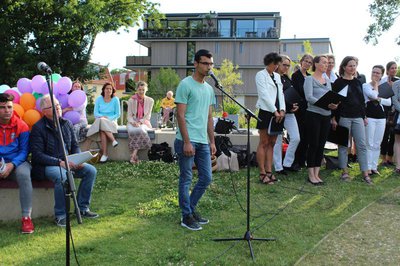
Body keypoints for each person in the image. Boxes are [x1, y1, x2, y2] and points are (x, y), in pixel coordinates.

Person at [30, 95, 98, 227]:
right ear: (44, 111)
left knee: (91, 171)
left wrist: (78, 158)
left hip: (68, 162)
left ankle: (83, 208)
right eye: (53, 107)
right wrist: (59, 162)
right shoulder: (38, 128)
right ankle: (60, 215)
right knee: (62, 176)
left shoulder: (66, 124)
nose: (58, 108)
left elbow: (74, 145)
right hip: (48, 165)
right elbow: (37, 155)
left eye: (58, 105)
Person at [174, 49, 216, 231]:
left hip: (203, 141)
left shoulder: (209, 89)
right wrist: (187, 142)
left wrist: (212, 141)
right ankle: (186, 216)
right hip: (187, 140)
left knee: (206, 178)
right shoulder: (185, 85)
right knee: (186, 178)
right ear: (196, 64)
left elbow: (208, 117)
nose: (209, 67)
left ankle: (190, 208)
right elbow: (180, 116)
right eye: (205, 63)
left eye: (211, 64)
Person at [332, 56, 371, 184]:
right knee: (343, 145)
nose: (352, 68)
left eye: (354, 65)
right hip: (343, 116)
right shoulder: (338, 83)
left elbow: (361, 101)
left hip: (358, 117)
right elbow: (334, 101)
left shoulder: (358, 82)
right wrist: (334, 118)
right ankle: (344, 172)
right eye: (350, 65)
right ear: (344, 67)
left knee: (362, 145)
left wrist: (364, 116)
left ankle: (365, 173)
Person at [0, 93, 34, 234]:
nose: (7, 110)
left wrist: (11, 165)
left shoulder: (22, 125)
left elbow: (24, 151)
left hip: (17, 163)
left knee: (24, 174)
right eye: (2, 108)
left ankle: (26, 218)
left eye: (9, 107)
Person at [304, 55, 338, 185]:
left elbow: (330, 97)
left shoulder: (327, 80)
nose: (326, 65)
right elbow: (309, 97)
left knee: (321, 145)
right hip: (313, 115)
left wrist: (334, 104)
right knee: (313, 144)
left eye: (328, 63)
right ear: (316, 64)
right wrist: (324, 104)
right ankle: (310, 174)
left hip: (326, 116)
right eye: (324, 62)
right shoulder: (309, 79)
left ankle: (317, 174)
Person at [255, 52, 285, 184]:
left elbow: (281, 94)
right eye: (274, 64)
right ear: (268, 63)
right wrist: (274, 111)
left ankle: (269, 171)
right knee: (264, 142)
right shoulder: (260, 75)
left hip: (279, 112)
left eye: (277, 64)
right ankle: (262, 173)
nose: (276, 66)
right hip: (267, 111)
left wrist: (282, 110)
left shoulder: (277, 76)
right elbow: (264, 94)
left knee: (272, 143)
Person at [273, 55, 300, 175]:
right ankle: (278, 167)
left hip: (289, 113)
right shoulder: (272, 78)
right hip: (277, 113)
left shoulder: (288, 79)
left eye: (288, 65)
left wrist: (295, 105)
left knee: (296, 137)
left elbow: (291, 95)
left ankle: (287, 163)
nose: (286, 67)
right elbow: (274, 98)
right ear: (278, 64)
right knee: (278, 141)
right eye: (284, 64)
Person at [363, 65, 390, 175]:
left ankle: (374, 167)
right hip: (369, 116)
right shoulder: (365, 85)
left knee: (377, 143)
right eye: (373, 72)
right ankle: (368, 167)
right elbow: (371, 95)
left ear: (381, 75)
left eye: (377, 73)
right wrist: (375, 88)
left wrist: (378, 98)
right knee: (369, 142)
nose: (375, 75)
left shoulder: (384, 86)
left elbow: (388, 102)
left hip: (381, 117)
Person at [86, 82, 121, 163]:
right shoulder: (99, 99)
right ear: (103, 90)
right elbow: (95, 113)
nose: (108, 90)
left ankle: (105, 154)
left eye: (110, 89)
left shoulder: (116, 99)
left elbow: (118, 114)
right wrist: (102, 117)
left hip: (112, 121)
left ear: (112, 90)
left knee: (102, 129)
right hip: (100, 120)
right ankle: (113, 141)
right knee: (101, 122)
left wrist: (108, 118)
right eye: (107, 88)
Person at [292, 54, 313, 169]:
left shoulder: (310, 77)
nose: (308, 64)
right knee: (299, 135)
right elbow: (295, 92)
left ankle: (302, 160)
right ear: (301, 61)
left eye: (310, 62)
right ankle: (295, 161)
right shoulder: (295, 76)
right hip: (299, 109)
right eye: (306, 61)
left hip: (309, 109)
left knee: (307, 136)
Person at [127, 81, 154, 164]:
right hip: (133, 121)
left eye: (143, 90)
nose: (141, 91)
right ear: (137, 90)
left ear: (146, 90)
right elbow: (129, 116)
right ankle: (134, 156)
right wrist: (133, 122)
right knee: (132, 131)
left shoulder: (150, 100)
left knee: (140, 130)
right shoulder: (131, 100)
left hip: (144, 121)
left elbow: (148, 115)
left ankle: (133, 155)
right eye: (139, 89)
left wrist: (140, 122)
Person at [380, 61, 399, 166]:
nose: (394, 70)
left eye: (395, 68)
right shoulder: (382, 81)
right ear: (387, 70)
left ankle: (390, 158)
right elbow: (382, 96)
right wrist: (390, 87)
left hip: (396, 110)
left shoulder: (399, 81)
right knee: (385, 134)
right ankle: (383, 158)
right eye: (392, 68)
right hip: (385, 110)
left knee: (393, 135)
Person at [391, 79, 400, 174]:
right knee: (398, 141)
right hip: (399, 116)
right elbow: (395, 100)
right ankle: (398, 166)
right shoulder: (396, 84)